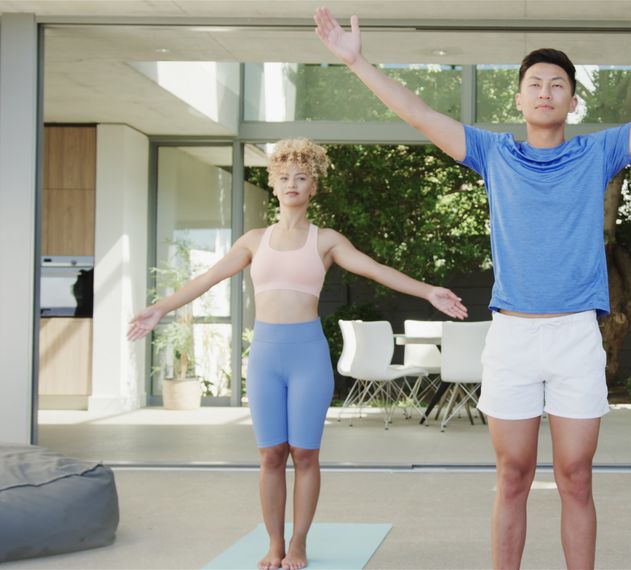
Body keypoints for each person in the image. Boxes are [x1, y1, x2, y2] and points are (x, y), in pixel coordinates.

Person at [314, 3, 631, 568]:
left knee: (576, 477)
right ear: (520, 99)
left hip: (577, 335)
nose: (546, 92)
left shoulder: (597, 152)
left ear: (573, 100)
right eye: (535, 84)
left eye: (558, 85)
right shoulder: (493, 153)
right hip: (512, 338)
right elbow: (418, 113)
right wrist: (358, 63)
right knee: (513, 476)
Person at [127, 138, 468, 570]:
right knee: (271, 454)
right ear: (273, 185)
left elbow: (374, 269)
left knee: (305, 453)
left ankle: (300, 542)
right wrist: (161, 307)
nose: (292, 183)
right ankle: (274, 544)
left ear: (312, 188)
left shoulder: (325, 241)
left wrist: (428, 291)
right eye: (284, 177)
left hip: (308, 354)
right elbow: (208, 278)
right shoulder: (254, 240)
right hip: (267, 354)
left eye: (301, 177)